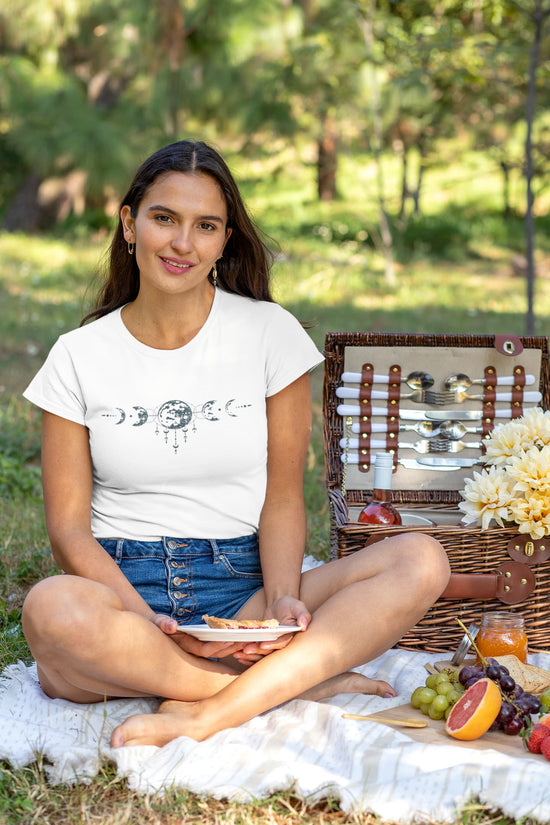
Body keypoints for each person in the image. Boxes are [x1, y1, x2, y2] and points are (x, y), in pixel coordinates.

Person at [21, 139, 450, 747]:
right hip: (120, 597)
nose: (181, 243)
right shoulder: (78, 354)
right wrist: (150, 624)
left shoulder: (268, 332)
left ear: (224, 241)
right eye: (164, 218)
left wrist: (280, 600)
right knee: (51, 612)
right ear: (129, 224)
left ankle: (205, 710)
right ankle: (279, 686)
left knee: (420, 560)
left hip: (241, 589)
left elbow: (281, 496)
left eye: (206, 226)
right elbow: (68, 532)